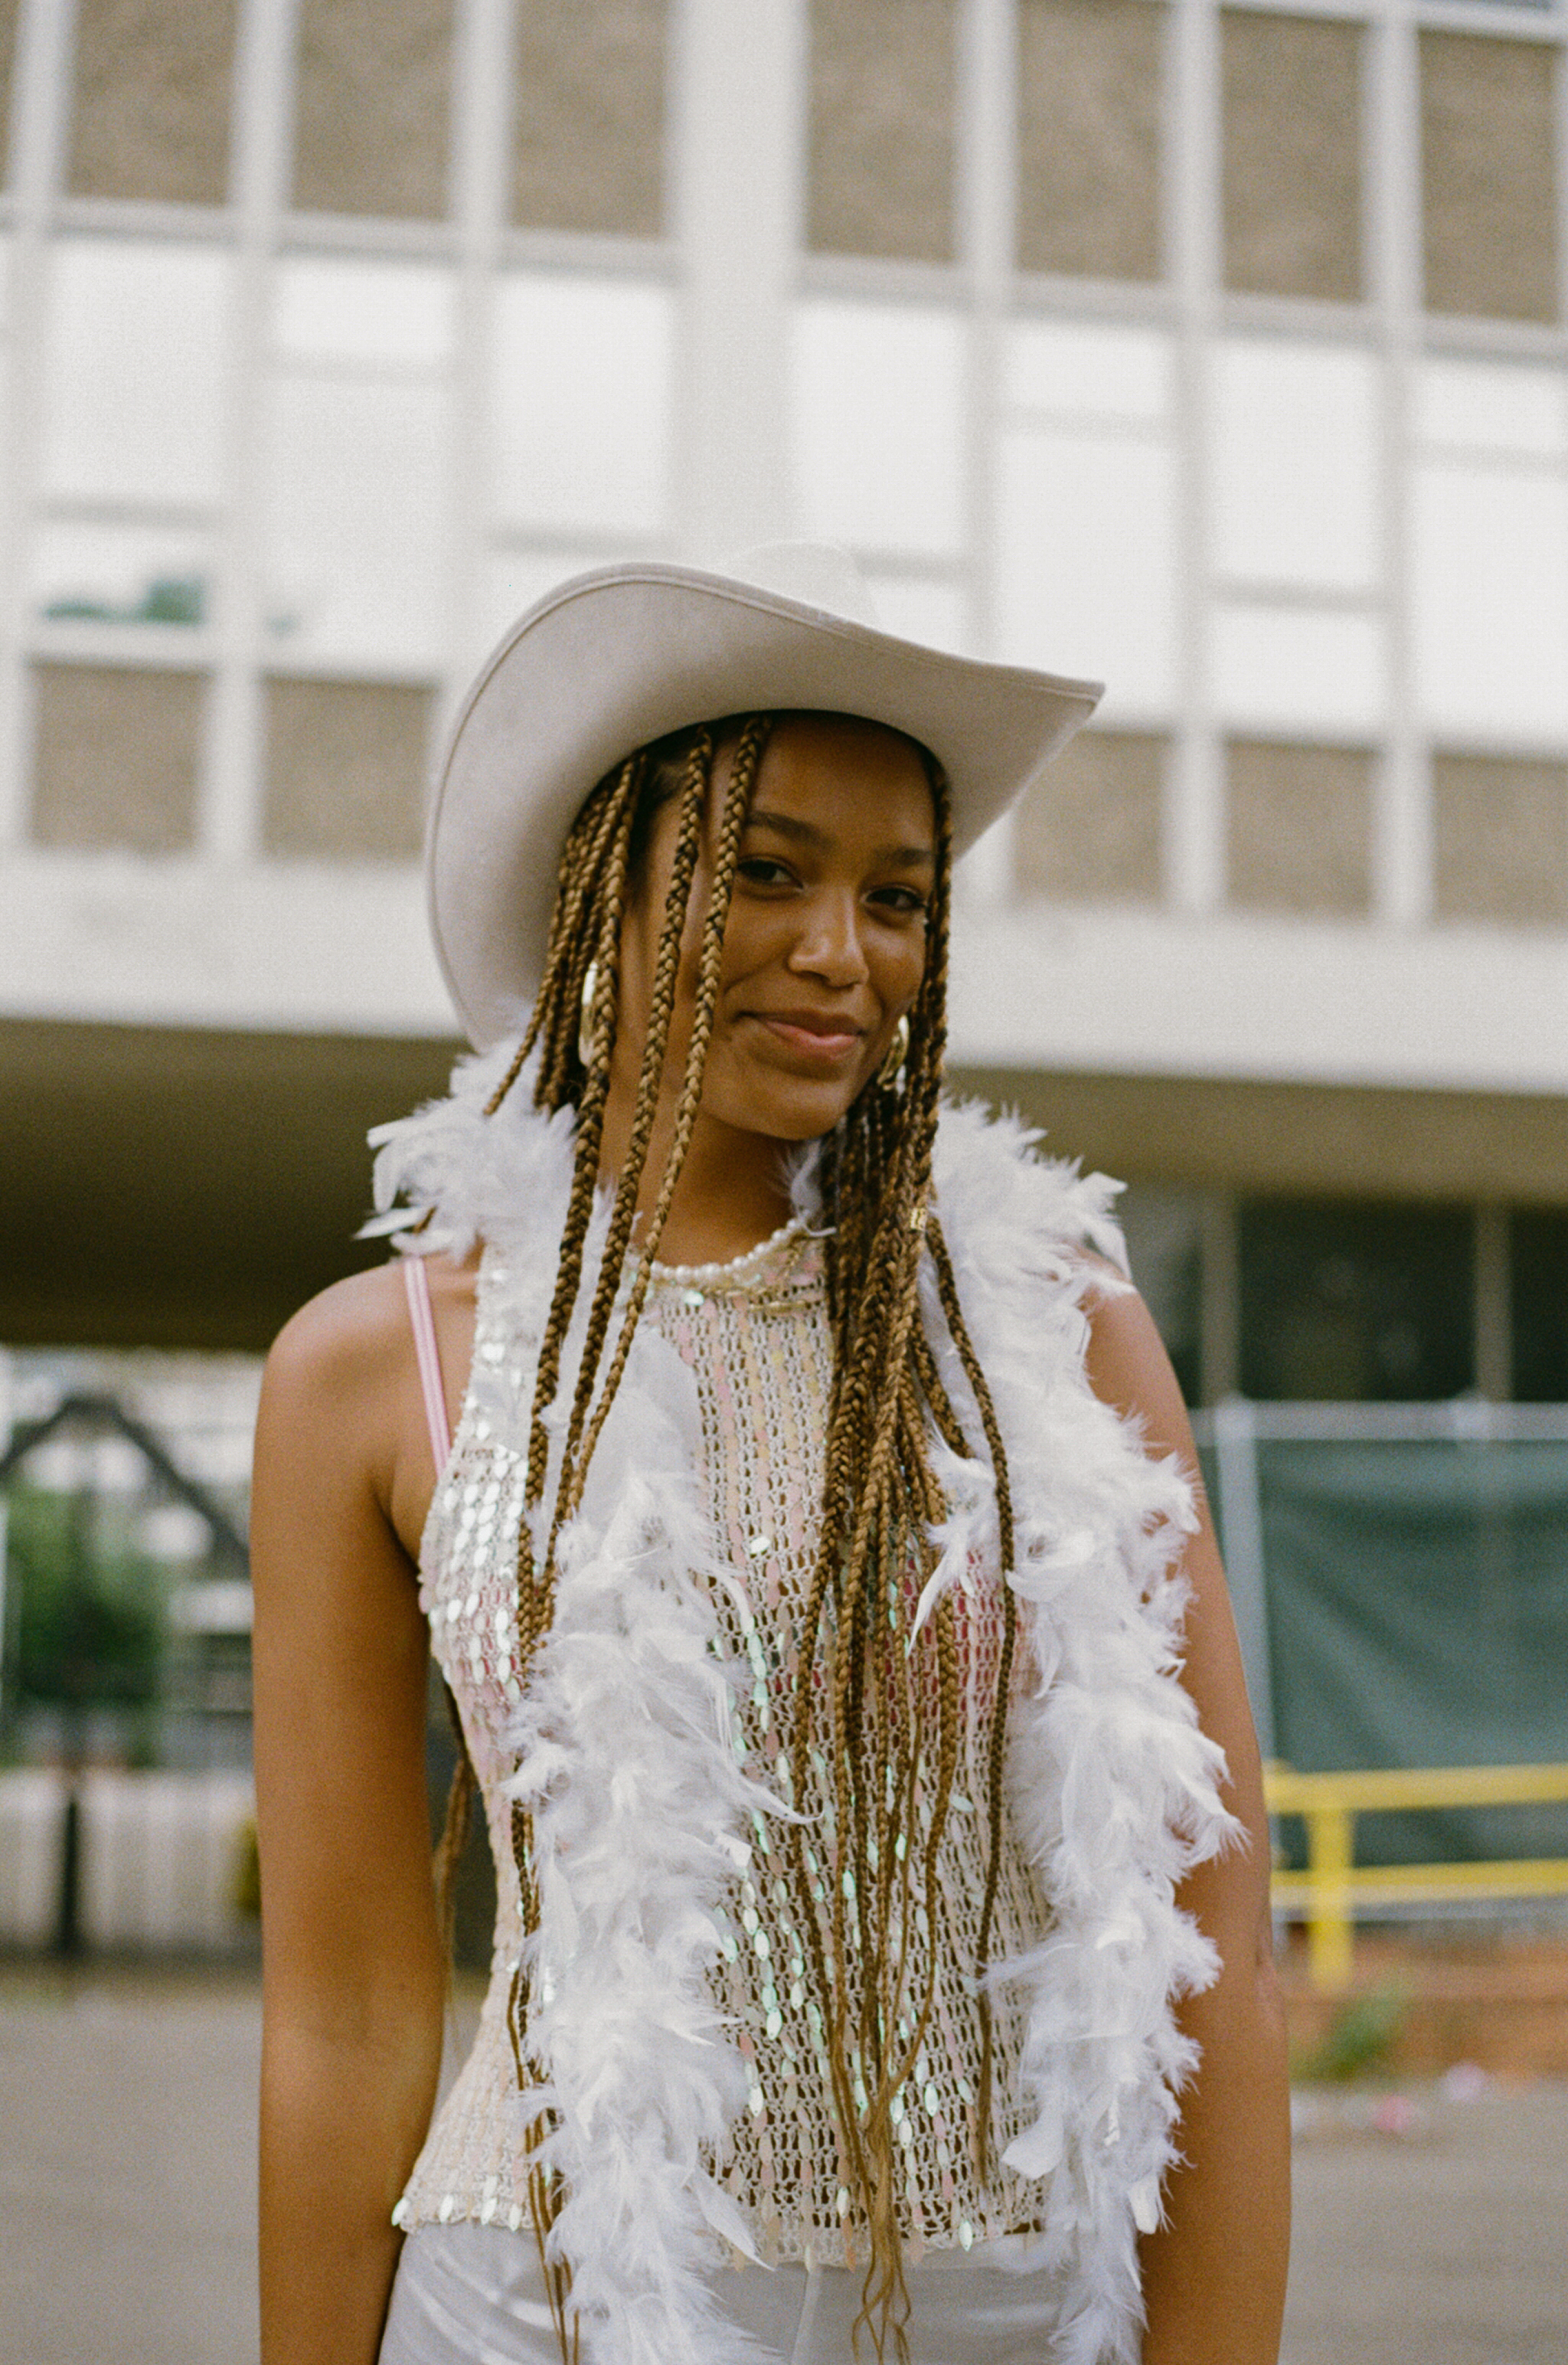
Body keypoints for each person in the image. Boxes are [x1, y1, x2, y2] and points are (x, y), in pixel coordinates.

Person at [252, 545, 1290, 2365]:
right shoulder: (378, 1366)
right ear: (603, 894)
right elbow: (342, 2006)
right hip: (538, 2298)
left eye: (898, 895)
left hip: (1013, 2299)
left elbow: (1212, 1947)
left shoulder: (1051, 1326)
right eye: (763, 869)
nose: (842, 952)